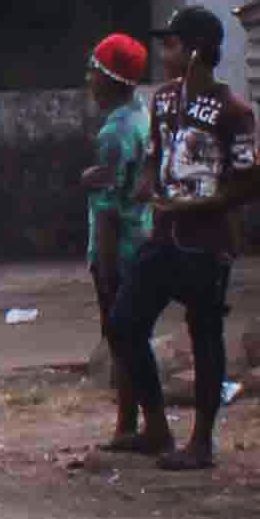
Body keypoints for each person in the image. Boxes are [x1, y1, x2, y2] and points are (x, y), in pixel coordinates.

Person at [108, 7, 260, 471]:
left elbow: (249, 183)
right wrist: (150, 183)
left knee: (206, 335)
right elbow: (155, 154)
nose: (162, 53)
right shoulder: (164, 100)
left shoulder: (234, 111)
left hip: (207, 240)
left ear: (194, 52)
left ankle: (201, 442)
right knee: (123, 323)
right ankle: (155, 425)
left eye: (171, 44)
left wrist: (195, 205)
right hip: (164, 234)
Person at [82, 33, 152, 449]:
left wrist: (105, 268)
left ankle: (129, 423)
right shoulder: (143, 117)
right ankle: (135, 419)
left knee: (122, 335)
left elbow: (106, 209)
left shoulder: (114, 133)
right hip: (142, 240)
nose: (88, 80)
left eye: (93, 71)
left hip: (119, 248)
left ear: (110, 79)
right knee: (132, 334)